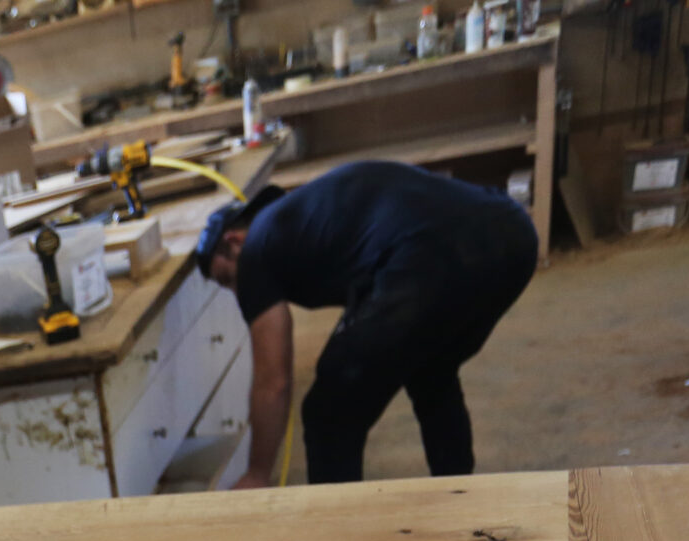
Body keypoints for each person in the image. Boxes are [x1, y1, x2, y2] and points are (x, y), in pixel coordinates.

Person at [193, 161, 539, 487]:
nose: (238, 292)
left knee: (328, 414)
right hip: (511, 234)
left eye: (228, 281)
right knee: (432, 372)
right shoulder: (301, 215)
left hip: (430, 255)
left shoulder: (256, 248)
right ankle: (461, 497)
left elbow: (274, 380)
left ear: (233, 241)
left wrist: (256, 473)